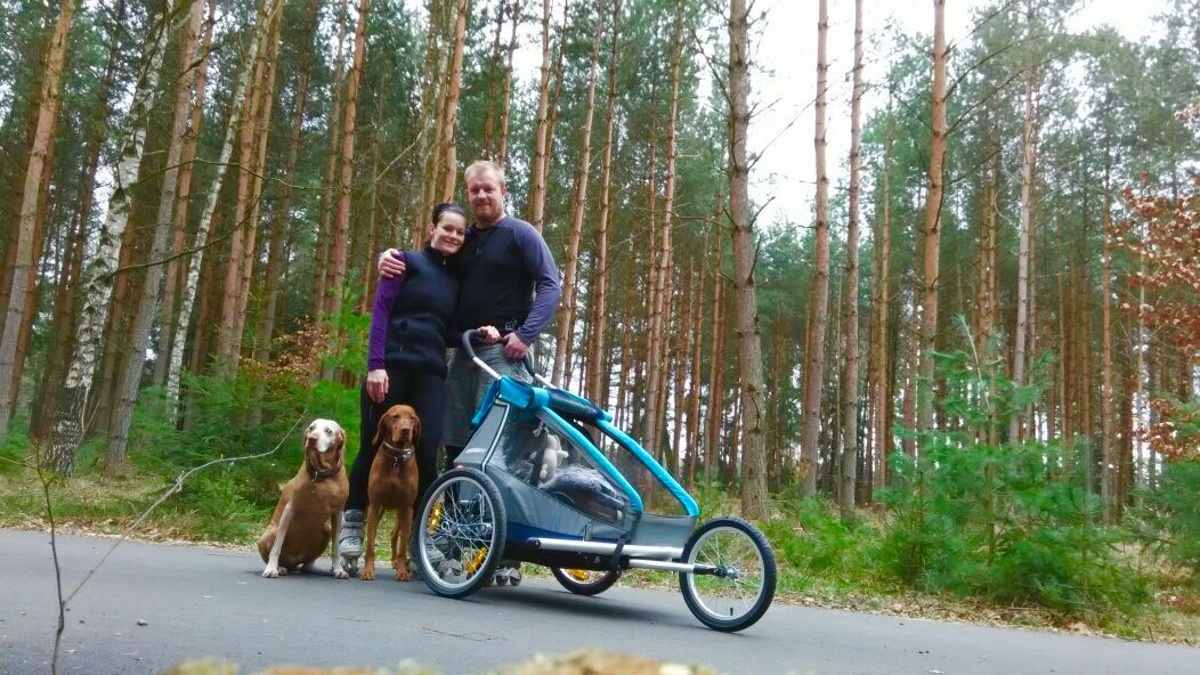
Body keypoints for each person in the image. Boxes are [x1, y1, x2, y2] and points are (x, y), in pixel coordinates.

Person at [377, 160, 562, 586]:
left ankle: (508, 553)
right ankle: (452, 548)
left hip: (504, 356)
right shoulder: (464, 240)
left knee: (505, 450)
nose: (481, 196)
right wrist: (388, 258)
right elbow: (428, 261)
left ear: (503, 191)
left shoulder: (520, 234)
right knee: (458, 448)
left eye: (488, 189)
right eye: (474, 190)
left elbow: (551, 285)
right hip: (462, 354)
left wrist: (525, 335)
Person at [338, 202, 499, 575]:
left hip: (430, 373)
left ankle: (420, 538)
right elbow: (381, 312)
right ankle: (353, 524)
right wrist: (375, 366)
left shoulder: (455, 280)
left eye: (459, 231)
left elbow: (447, 332)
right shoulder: (403, 262)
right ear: (432, 229)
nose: (453, 235)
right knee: (373, 444)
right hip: (391, 367)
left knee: (428, 453)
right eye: (447, 228)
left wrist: (476, 334)